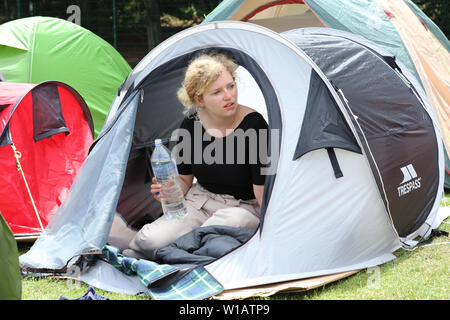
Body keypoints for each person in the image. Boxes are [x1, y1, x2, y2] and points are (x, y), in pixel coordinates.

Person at [124, 52, 268, 260]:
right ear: (199, 99)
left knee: (222, 230)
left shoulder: (255, 125)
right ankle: (179, 252)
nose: (229, 96)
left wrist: (274, 234)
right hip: (200, 202)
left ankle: (179, 251)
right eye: (217, 92)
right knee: (148, 242)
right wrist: (168, 191)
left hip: (241, 209)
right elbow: (184, 180)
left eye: (231, 86)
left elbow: (262, 193)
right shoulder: (190, 126)